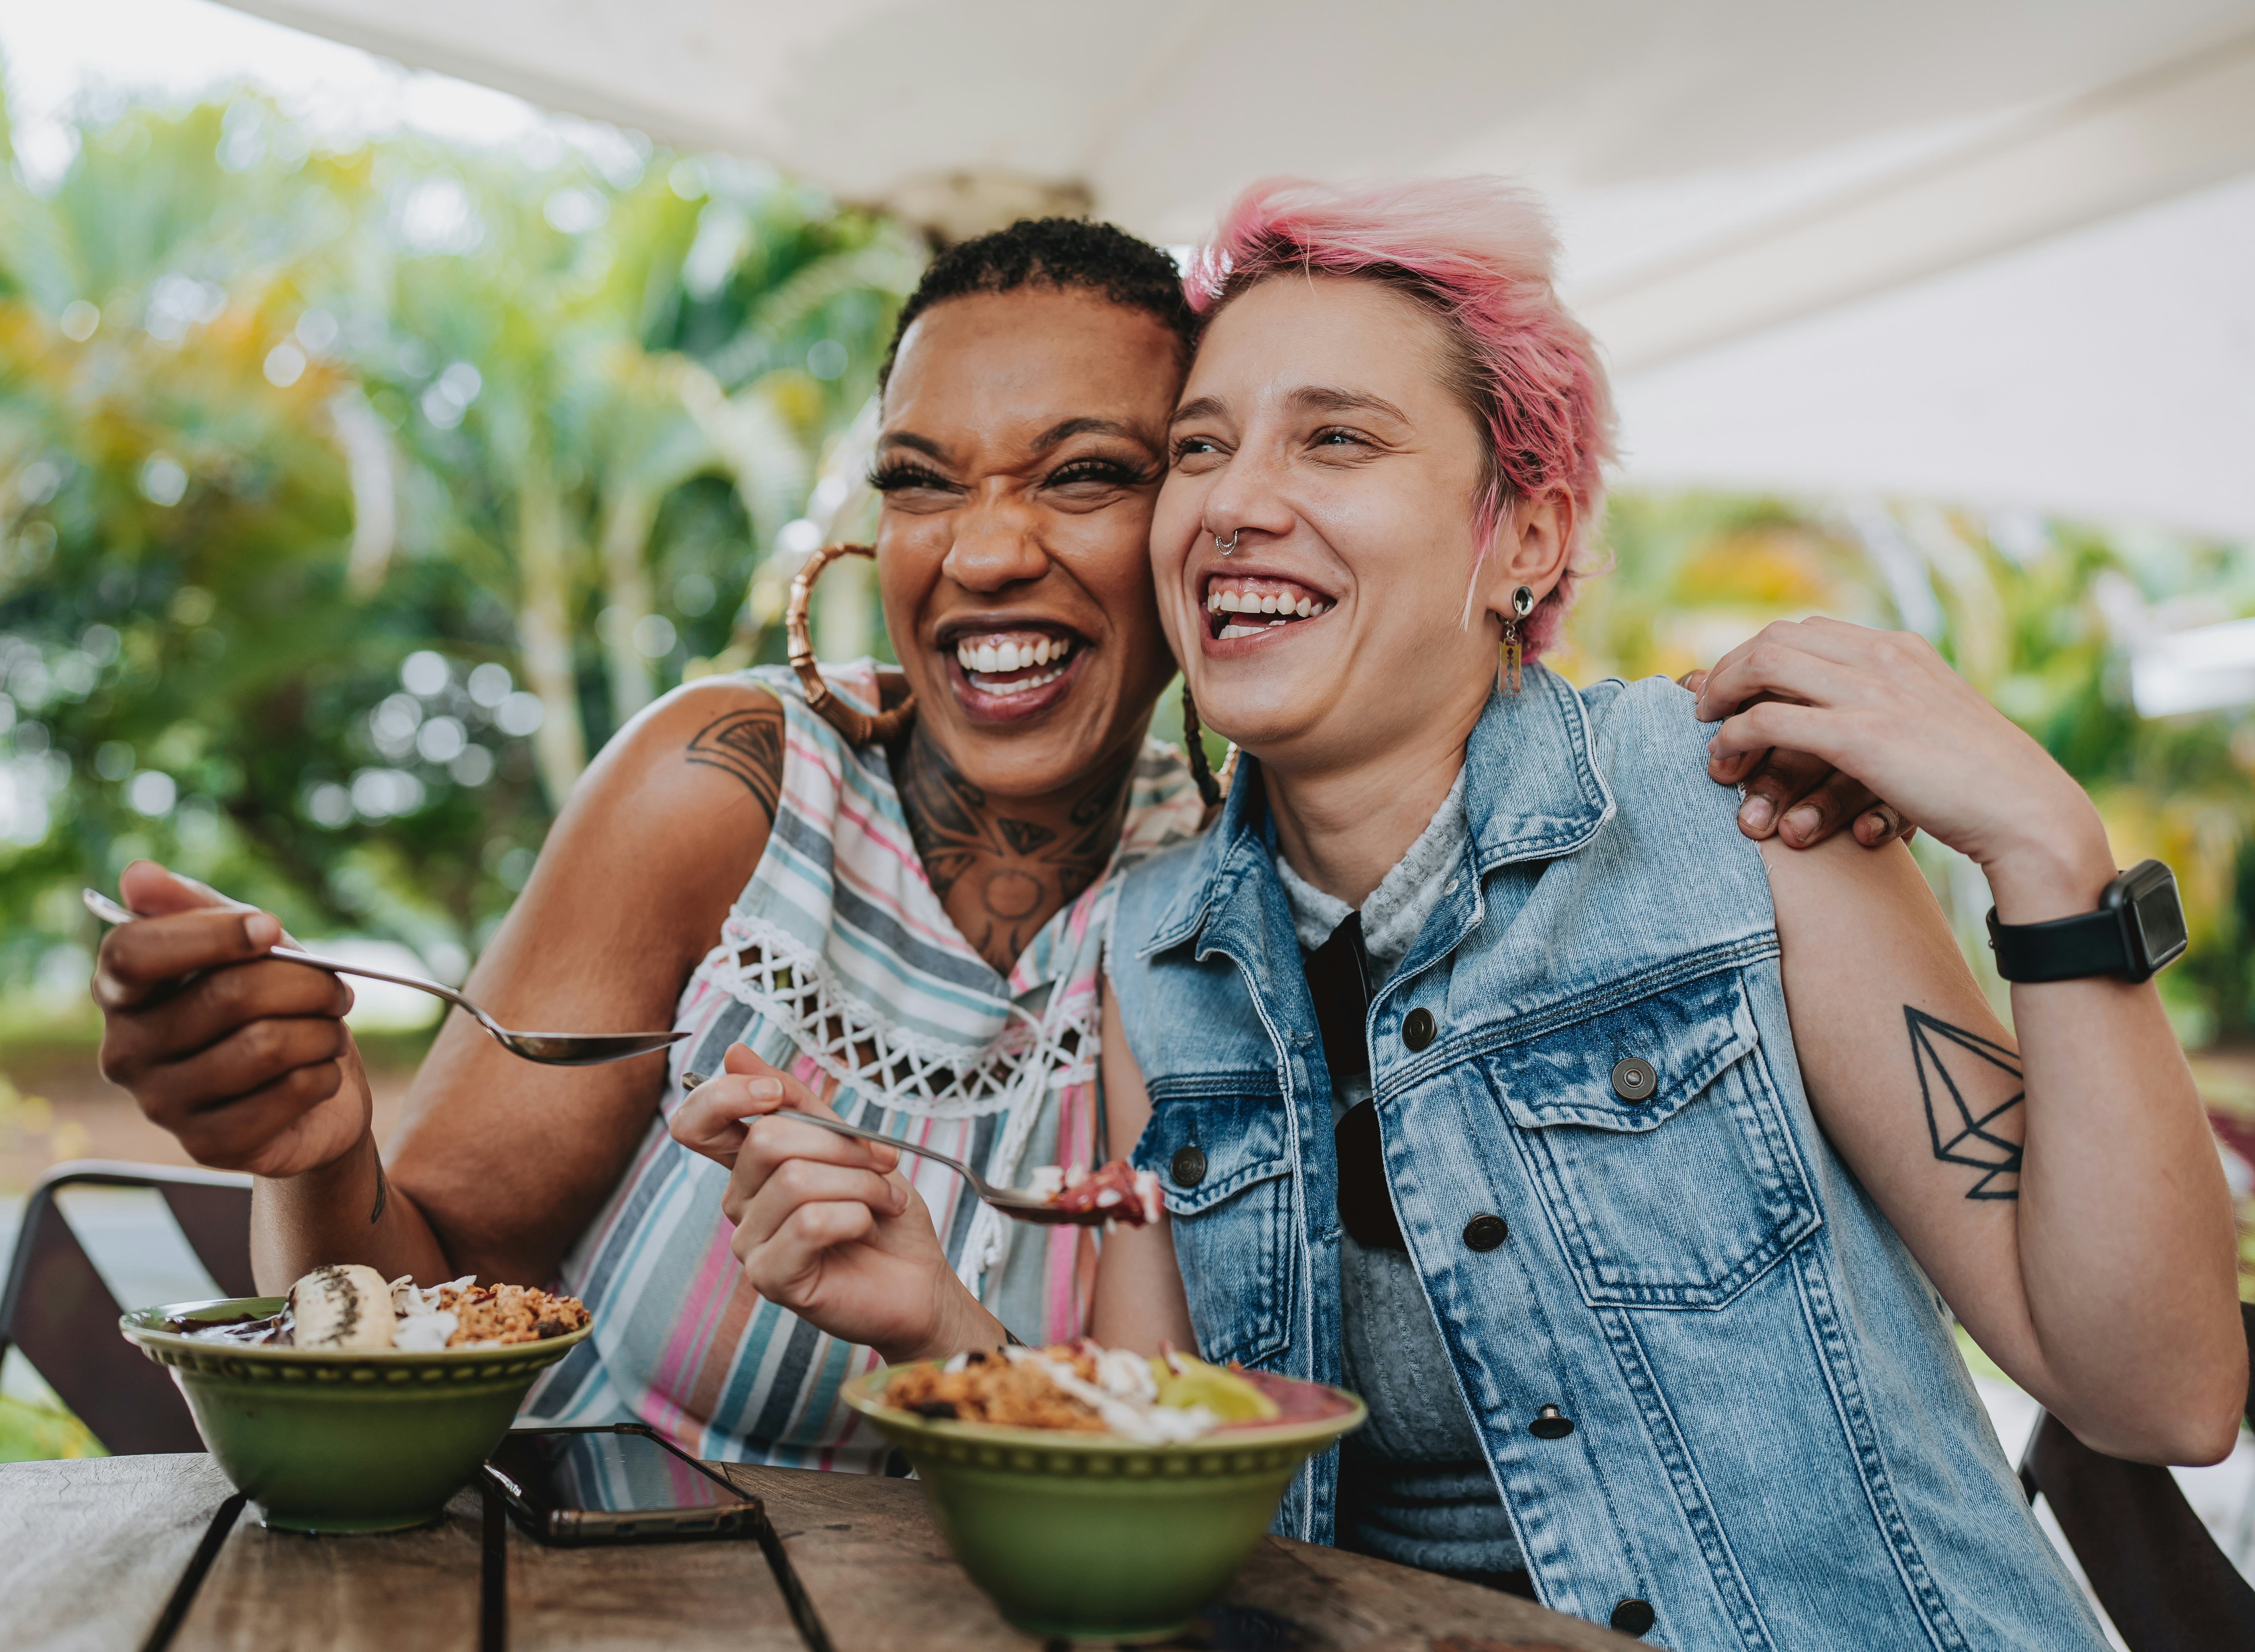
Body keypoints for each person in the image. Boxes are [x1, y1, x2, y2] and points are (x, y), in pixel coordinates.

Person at [678, 176, 2245, 1646]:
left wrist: (2050, 852)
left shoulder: (1739, 816)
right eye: (1203, 449)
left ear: (1531, 537)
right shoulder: (1157, 961)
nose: (1235, 505)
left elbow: (2162, 1395)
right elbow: (1164, 1504)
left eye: (1338, 441)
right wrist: (935, 1321)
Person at [95, 214, 1891, 1474]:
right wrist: (317, 1152)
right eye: (921, 477)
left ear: (1202, 515)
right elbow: (406, 1316)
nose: (984, 550)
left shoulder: (1247, 913)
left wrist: (1777, 765)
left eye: (1087, 475)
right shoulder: (719, 791)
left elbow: (1189, 1446)